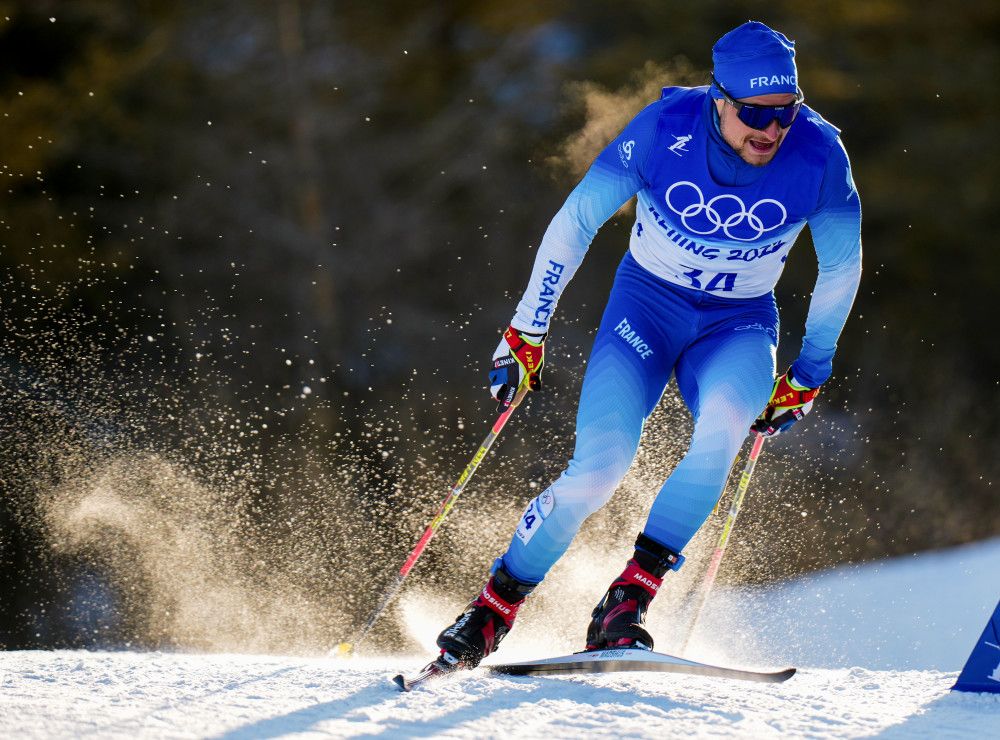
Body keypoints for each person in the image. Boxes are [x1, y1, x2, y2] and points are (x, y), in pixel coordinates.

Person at [435, 21, 862, 668]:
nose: (771, 132)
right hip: (645, 311)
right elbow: (577, 220)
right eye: (754, 114)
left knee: (723, 431)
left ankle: (627, 601)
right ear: (720, 98)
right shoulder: (667, 129)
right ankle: (494, 607)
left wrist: (811, 370)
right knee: (600, 467)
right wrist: (527, 328)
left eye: (785, 115)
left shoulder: (819, 155)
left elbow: (842, 268)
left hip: (737, 324)